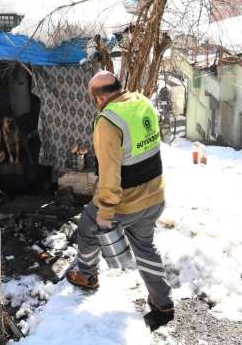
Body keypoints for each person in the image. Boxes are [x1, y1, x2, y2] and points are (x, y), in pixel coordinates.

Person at [66, 70, 174, 325]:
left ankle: (87, 275)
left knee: (87, 226)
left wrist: (104, 212)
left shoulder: (107, 122)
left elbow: (110, 176)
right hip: (155, 195)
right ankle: (163, 300)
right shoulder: (142, 102)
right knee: (145, 247)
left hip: (126, 202)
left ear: (98, 99)